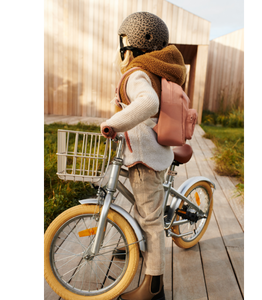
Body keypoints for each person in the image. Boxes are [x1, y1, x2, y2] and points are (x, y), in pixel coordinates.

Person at [100, 11, 186, 300]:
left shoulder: (137, 73)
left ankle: (154, 287)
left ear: (130, 46)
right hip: (151, 153)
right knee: (142, 207)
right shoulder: (155, 71)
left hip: (146, 159)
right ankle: (133, 245)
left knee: (151, 220)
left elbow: (148, 103)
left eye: (121, 43)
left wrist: (115, 123)